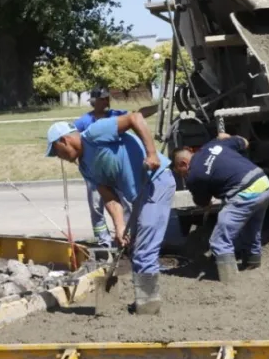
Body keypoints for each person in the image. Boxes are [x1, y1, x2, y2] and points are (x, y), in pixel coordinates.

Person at [45, 111, 175, 315]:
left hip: (155, 182)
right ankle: (145, 300)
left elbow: (135, 118)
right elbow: (110, 198)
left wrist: (151, 154)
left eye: (57, 152)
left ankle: (148, 306)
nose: (59, 158)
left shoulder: (95, 134)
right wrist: (119, 226)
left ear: (64, 140)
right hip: (139, 196)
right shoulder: (85, 167)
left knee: (144, 250)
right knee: (134, 247)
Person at [171, 133, 269, 283]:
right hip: (264, 185)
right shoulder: (213, 146)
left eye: (180, 173)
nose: (183, 176)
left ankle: (230, 282)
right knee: (251, 229)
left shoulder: (194, 176)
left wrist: (205, 203)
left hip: (245, 194)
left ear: (183, 164)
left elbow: (203, 202)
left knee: (219, 241)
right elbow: (244, 141)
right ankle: (253, 263)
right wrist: (228, 137)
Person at [74, 87, 129, 248]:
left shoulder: (115, 115)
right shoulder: (84, 121)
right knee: (97, 205)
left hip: (114, 169)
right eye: (102, 99)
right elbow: (72, 138)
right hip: (94, 171)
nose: (106, 101)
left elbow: (136, 115)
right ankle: (104, 241)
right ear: (94, 101)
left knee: (123, 203)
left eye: (107, 98)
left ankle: (125, 236)